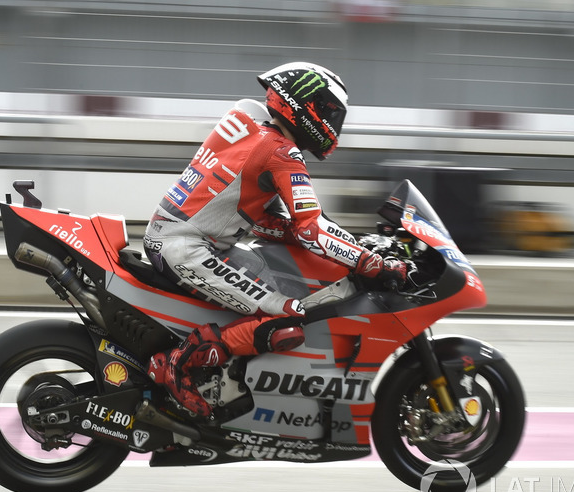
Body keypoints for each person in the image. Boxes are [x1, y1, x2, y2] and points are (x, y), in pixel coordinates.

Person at [143, 62, 406, 417]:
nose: (332, 123)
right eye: (328, 111)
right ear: (305, 104)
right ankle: (179, 363)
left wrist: (343, 243)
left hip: (180, 236)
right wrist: (371, 263)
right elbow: (312, 229)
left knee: (281, 281)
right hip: (187, 248)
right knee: (289, 317)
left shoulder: (251, 123)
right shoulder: (282, 152)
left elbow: (266, 221)